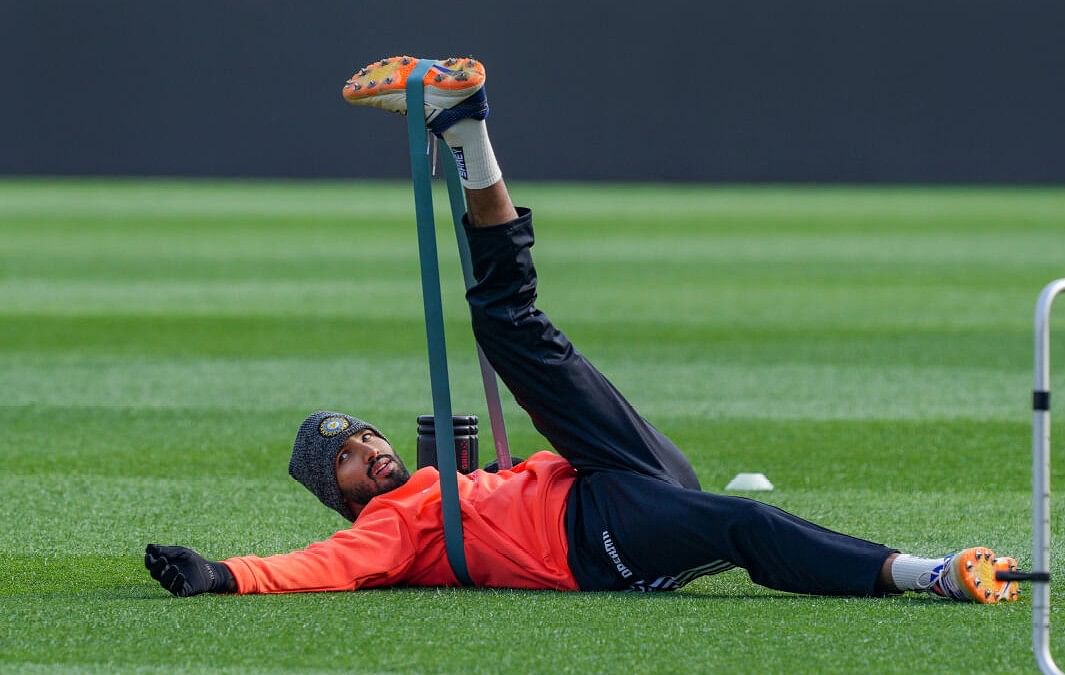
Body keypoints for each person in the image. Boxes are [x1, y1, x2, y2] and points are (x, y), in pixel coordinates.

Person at [144, 54, 1020, 604]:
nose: (369, 444)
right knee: (742, 526)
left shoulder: (443, 484)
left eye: (362, 431)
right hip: (598, 541)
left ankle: (469, 126)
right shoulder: (392, 529)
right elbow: (318, 569)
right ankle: (925, 571)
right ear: (339, 492)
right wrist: (224, 572)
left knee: (512, 327)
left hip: (609, 475)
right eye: (345, 453)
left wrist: (512, 467)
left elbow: (508, 483)